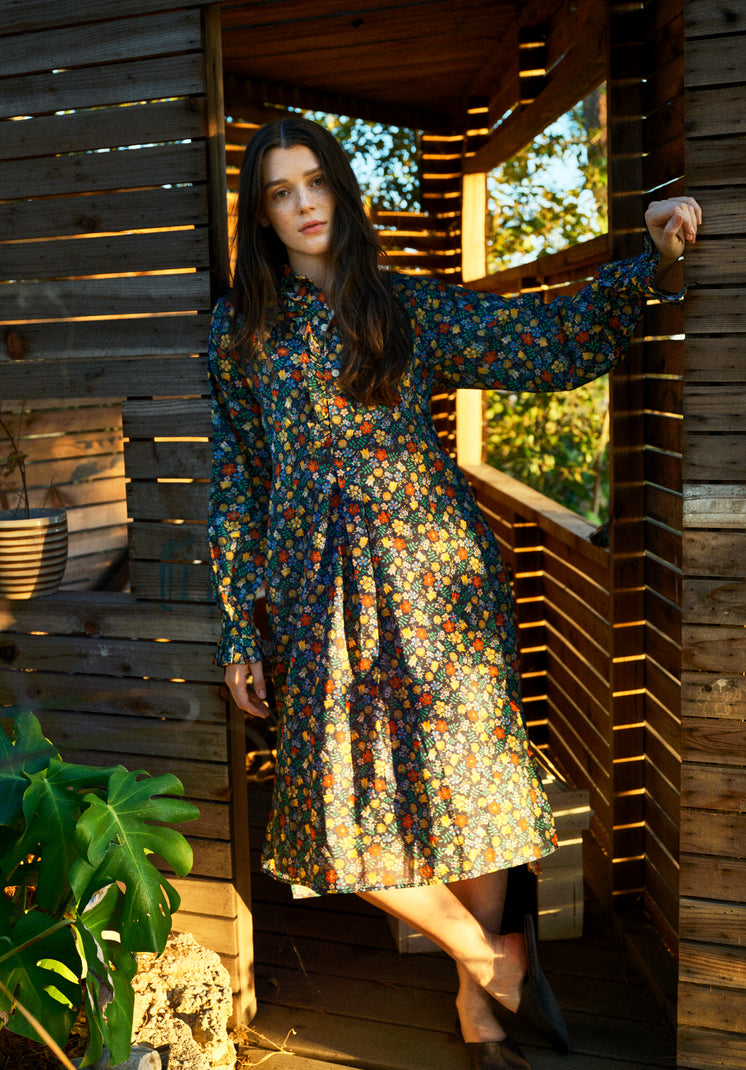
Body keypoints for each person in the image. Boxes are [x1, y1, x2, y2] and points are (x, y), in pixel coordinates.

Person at [207, 116, 700, 1070]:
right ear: (261, 214)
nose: (303, 205)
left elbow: (540, 342)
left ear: (340, 190)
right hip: (315, 591)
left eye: (315, 183)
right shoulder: (240, 329)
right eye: (280, 192)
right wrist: (240, 629)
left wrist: (649, 261)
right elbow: (240, 480)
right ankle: (492, 956)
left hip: (439, 579)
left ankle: (479, 1012)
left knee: (469, 789)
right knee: (330, 812)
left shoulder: (398, 302)